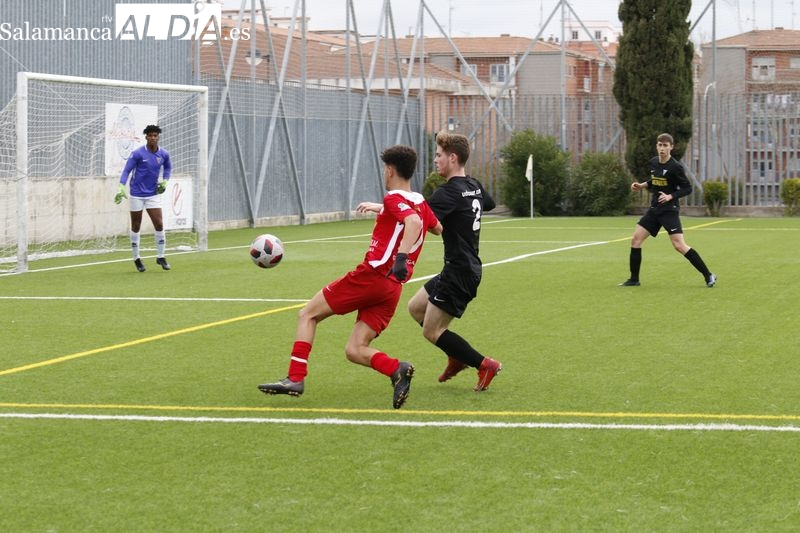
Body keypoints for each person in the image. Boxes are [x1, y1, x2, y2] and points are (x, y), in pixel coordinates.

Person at [258, 145, 442, 409]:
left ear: (389, 170)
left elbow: (412, 223)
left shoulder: (394, 199)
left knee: (307, 314)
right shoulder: (420, 202)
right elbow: (437, 228)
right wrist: (384, 210)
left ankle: (295, 378)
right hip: (392, 288)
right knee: (355, 349)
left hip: (373, 275)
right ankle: (397, 369)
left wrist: (401, 256)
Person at [407, 131, 501, 392]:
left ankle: (484, 364)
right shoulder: (474, 185)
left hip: (459, 272)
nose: (435, 160)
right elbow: (488, 203)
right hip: (461, 268)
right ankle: (455, 356)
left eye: (438, 155)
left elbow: (419, 220)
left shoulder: (446, 193)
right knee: (416, 308)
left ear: (453, 157)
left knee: (431, 331)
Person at [620, 132, 716, 288]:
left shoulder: (676, 167)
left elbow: (687, 188)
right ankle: (634, 279)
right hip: (654, 209)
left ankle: (708, 275)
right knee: (636, 239)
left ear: (671, 147)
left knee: (679, 245)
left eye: (665, 145)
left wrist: (671, 196)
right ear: (656, 146)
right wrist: (642, 185)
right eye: (659, 145)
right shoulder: (653, 163)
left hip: (669, 210)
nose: (662, 148)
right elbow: (655, 180)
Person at [115, 124, 172, 273]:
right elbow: (126, 170)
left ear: (158, 137)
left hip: (153, 194)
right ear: (146, 137)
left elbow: (168, 168)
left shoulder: (164, 154)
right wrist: (121, 186)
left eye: (155, 135)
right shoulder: (138, 154)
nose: (153, 138)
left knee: (159, 224)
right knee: (136, 225)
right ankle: (137, 258)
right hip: (136, 194)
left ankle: (161, 256)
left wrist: (165, 181)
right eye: (150, 135)